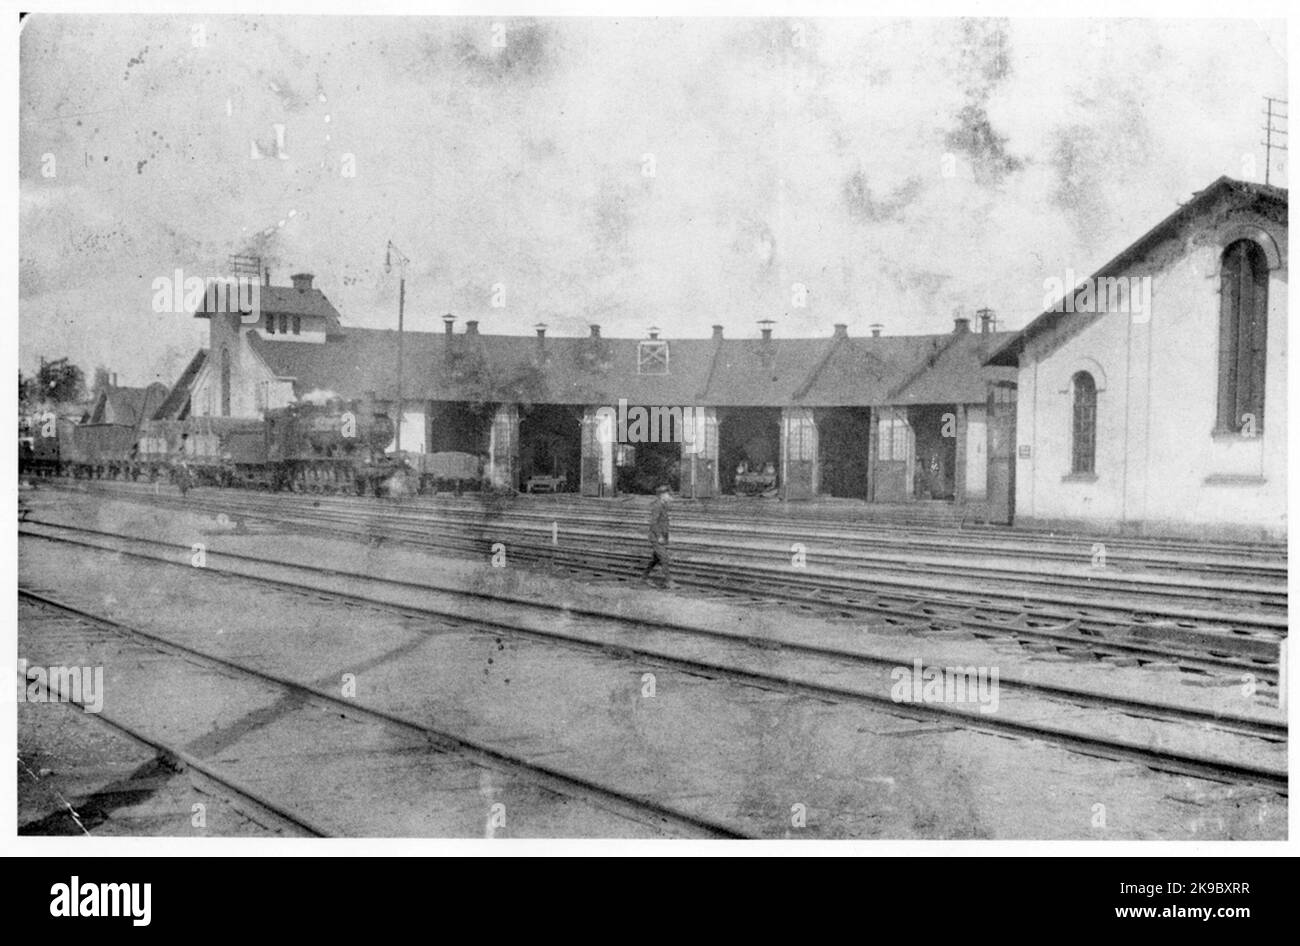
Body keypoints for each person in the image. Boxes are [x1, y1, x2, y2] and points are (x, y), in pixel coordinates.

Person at [642, 483, 676, 589]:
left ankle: (644, 577)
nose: (669, 496)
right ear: (662, 495)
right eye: (667, 495)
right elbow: (653, 523)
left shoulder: (663, 505)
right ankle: (669, 581)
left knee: (656, 559)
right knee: (664, 558)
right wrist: (659, 536)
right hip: (657, 537)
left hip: (662, 536)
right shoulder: (657, 506)